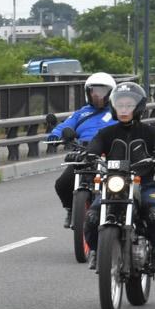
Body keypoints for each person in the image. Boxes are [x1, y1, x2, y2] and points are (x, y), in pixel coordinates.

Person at [83, 81, 155, 271]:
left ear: (139, 107)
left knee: (154, 214)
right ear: (113, 106)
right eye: (120, 105)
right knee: (92, 216)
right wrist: (84, 156)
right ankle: (95, 250)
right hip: (112, 184)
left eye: (129, 105)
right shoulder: (106, 133)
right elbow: (92, 150)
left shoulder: (150, 132)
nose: (124, 109)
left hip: (144, 185)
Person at [47, 72, 117, 226]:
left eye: (102, 91)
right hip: (84, 153)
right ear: (88, 93)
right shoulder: (81, 113)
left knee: (122, 184)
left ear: (111, 92)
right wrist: (55, 135)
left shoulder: (117, 112)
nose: (97, 95)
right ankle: (71, 209)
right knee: (62, 183)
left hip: (111, 154)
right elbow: (66, 125)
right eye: (94, 91)